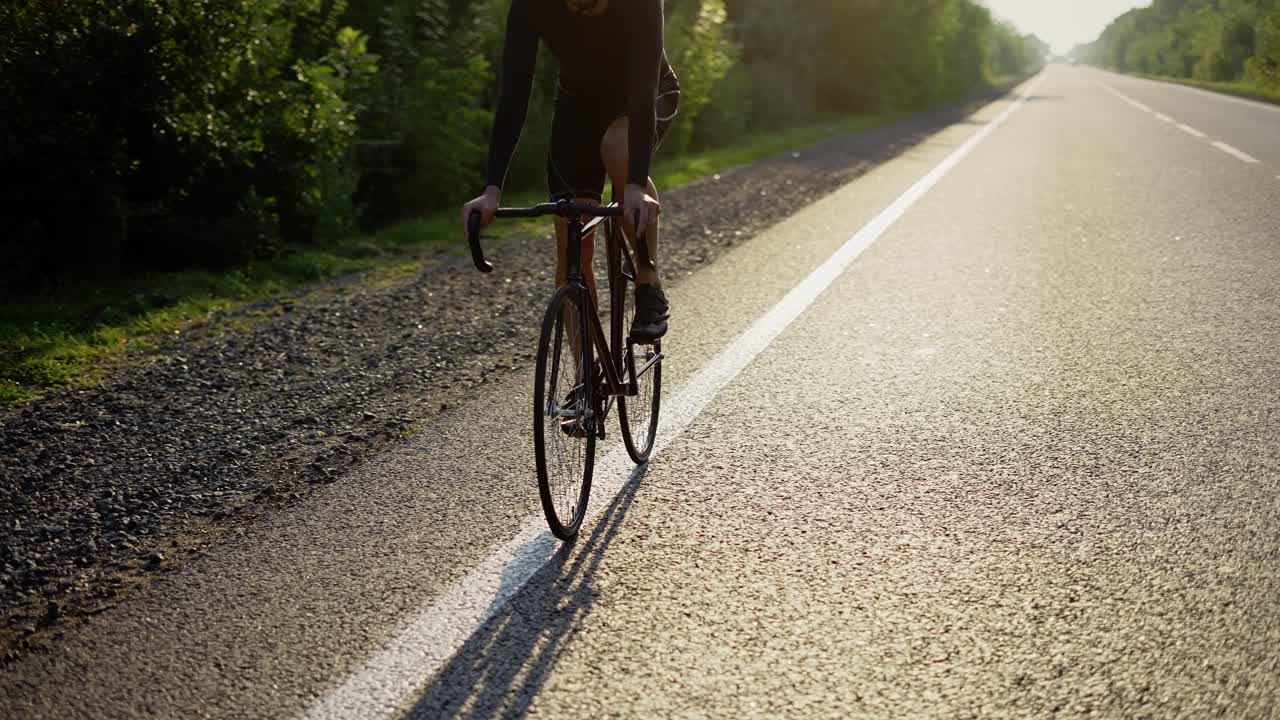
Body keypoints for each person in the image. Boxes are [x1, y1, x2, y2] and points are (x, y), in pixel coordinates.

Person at [461, 0, 680, 341]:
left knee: (616, 149)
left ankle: (647, 279)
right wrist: (492, 190)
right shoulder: (531, 6)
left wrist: (635, 184)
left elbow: (642, 89)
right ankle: (584, 380)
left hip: (645, 93)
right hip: (579, 106)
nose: (581, 13)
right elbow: (514, 95)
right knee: (571, 252)